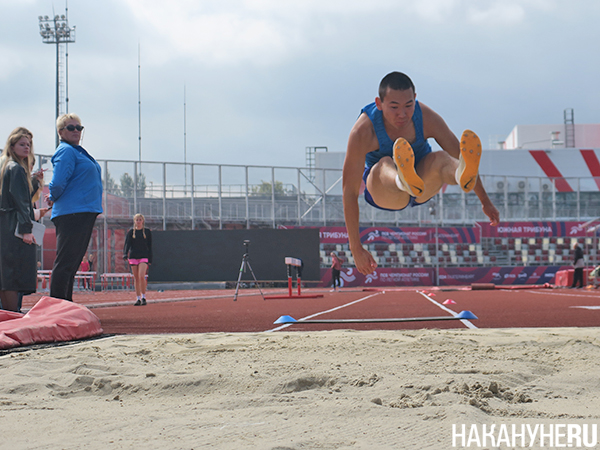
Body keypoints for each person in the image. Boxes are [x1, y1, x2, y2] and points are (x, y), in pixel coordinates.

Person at [343, 72, 500, 275]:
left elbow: (461, 155)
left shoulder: (426, 118)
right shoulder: (363, 132)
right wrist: (355, 248)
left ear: (415, 99)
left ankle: (459, 177)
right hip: (386, 192)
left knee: (444, 158)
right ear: (379, 103)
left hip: (423, 185)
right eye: (394, 107)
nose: (402, 114)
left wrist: (485, 201)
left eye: (409, 105)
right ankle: (402, 179)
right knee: (383, 164)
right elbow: (349, 191)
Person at [45, 114, 103, 301]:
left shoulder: (78, 151)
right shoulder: (66, 151)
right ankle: (56, 306)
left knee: (72, 263)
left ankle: (65, 305)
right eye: (71, 128)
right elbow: (58, 182)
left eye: (79, 128)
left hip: (83, 212)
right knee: (65, 263)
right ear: (61, 132)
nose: (76, 131)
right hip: (72, 213)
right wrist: (53, 197)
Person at [0, 127, 37, 311]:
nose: (27, 148)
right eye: (22, 144)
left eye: (28, 145)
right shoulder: (16, 169)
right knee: (13, 275)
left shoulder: (5, 166)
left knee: (6, 275)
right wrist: (26, 229)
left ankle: (9, 315)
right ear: (12, 147)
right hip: (13, 226)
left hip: (4, 226)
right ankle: (12, 315)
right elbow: (21, 201)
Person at [123, 213, 153, 306]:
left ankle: (144, 297)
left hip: (143, 256)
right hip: (133, 256)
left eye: (140, 220)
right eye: (137, 220)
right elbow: (127, 244)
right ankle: (138, 298)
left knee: (141, 276)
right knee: (136, 278)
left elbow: (150, 246)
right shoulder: (131, 232)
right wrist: (125, 254)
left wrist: (150, 258)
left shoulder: (147, 232)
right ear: (134, 221)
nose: (138, 221)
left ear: (142, 221)